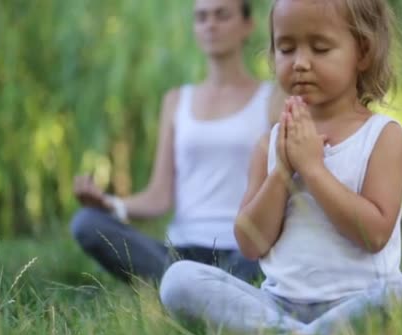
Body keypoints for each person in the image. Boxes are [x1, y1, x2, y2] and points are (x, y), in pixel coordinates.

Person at [159, 0, 402, 335]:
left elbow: (374, 234)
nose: (300, 63)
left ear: (362, 52)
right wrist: (283, 172)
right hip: (276, 305)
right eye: (286, 48)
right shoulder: (269, 144)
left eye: (320, 48)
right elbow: (250, 242)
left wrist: (313, 170)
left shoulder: (382, 136)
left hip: (358, 302)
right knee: (178, 280)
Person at [71, 0, 280, 285]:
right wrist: (109, 204)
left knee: (267, 253)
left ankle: (191, 289)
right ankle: (198, 286)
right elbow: (159, 196)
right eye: (201, 17)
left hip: (244, 250)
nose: (211, 24)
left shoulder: (271, 99)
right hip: (179, 252)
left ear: (247, 25)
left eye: (222, 15)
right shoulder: (176, 101)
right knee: (86, 222)